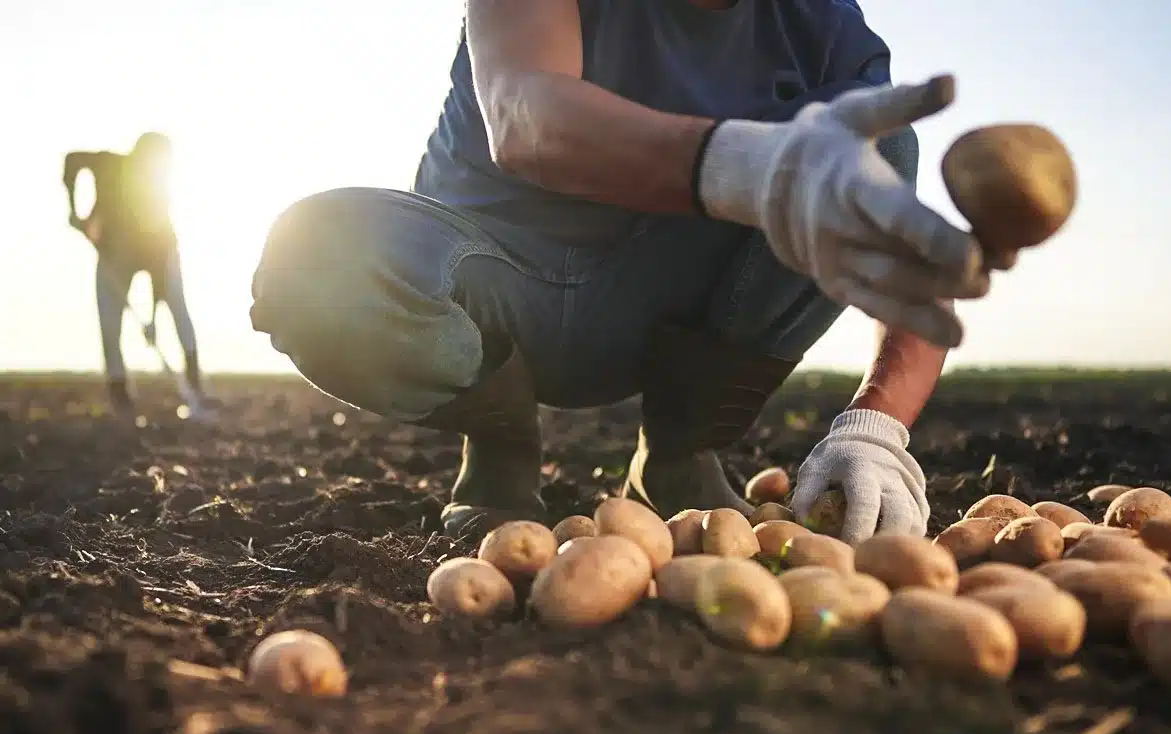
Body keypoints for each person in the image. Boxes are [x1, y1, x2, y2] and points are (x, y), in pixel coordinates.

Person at [249, 0, 1018, 544]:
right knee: (313, 254)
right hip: (482, 282)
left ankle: (679, 457)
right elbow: (526, 116)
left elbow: (888, 222)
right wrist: (743, 166)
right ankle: (501, 446)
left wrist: (878, 426)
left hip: (657, 302)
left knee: (879, 147)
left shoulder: (822, 27)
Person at [63, 131, 205, 413]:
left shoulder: (158, 217)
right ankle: (119, 392)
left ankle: (194, 383)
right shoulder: (109, 165)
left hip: (157, 255)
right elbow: (72, 160)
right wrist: (74, 210)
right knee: (109, 320)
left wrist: (151, 319)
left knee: (177, 306)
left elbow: (160, 276)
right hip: (112, 254)